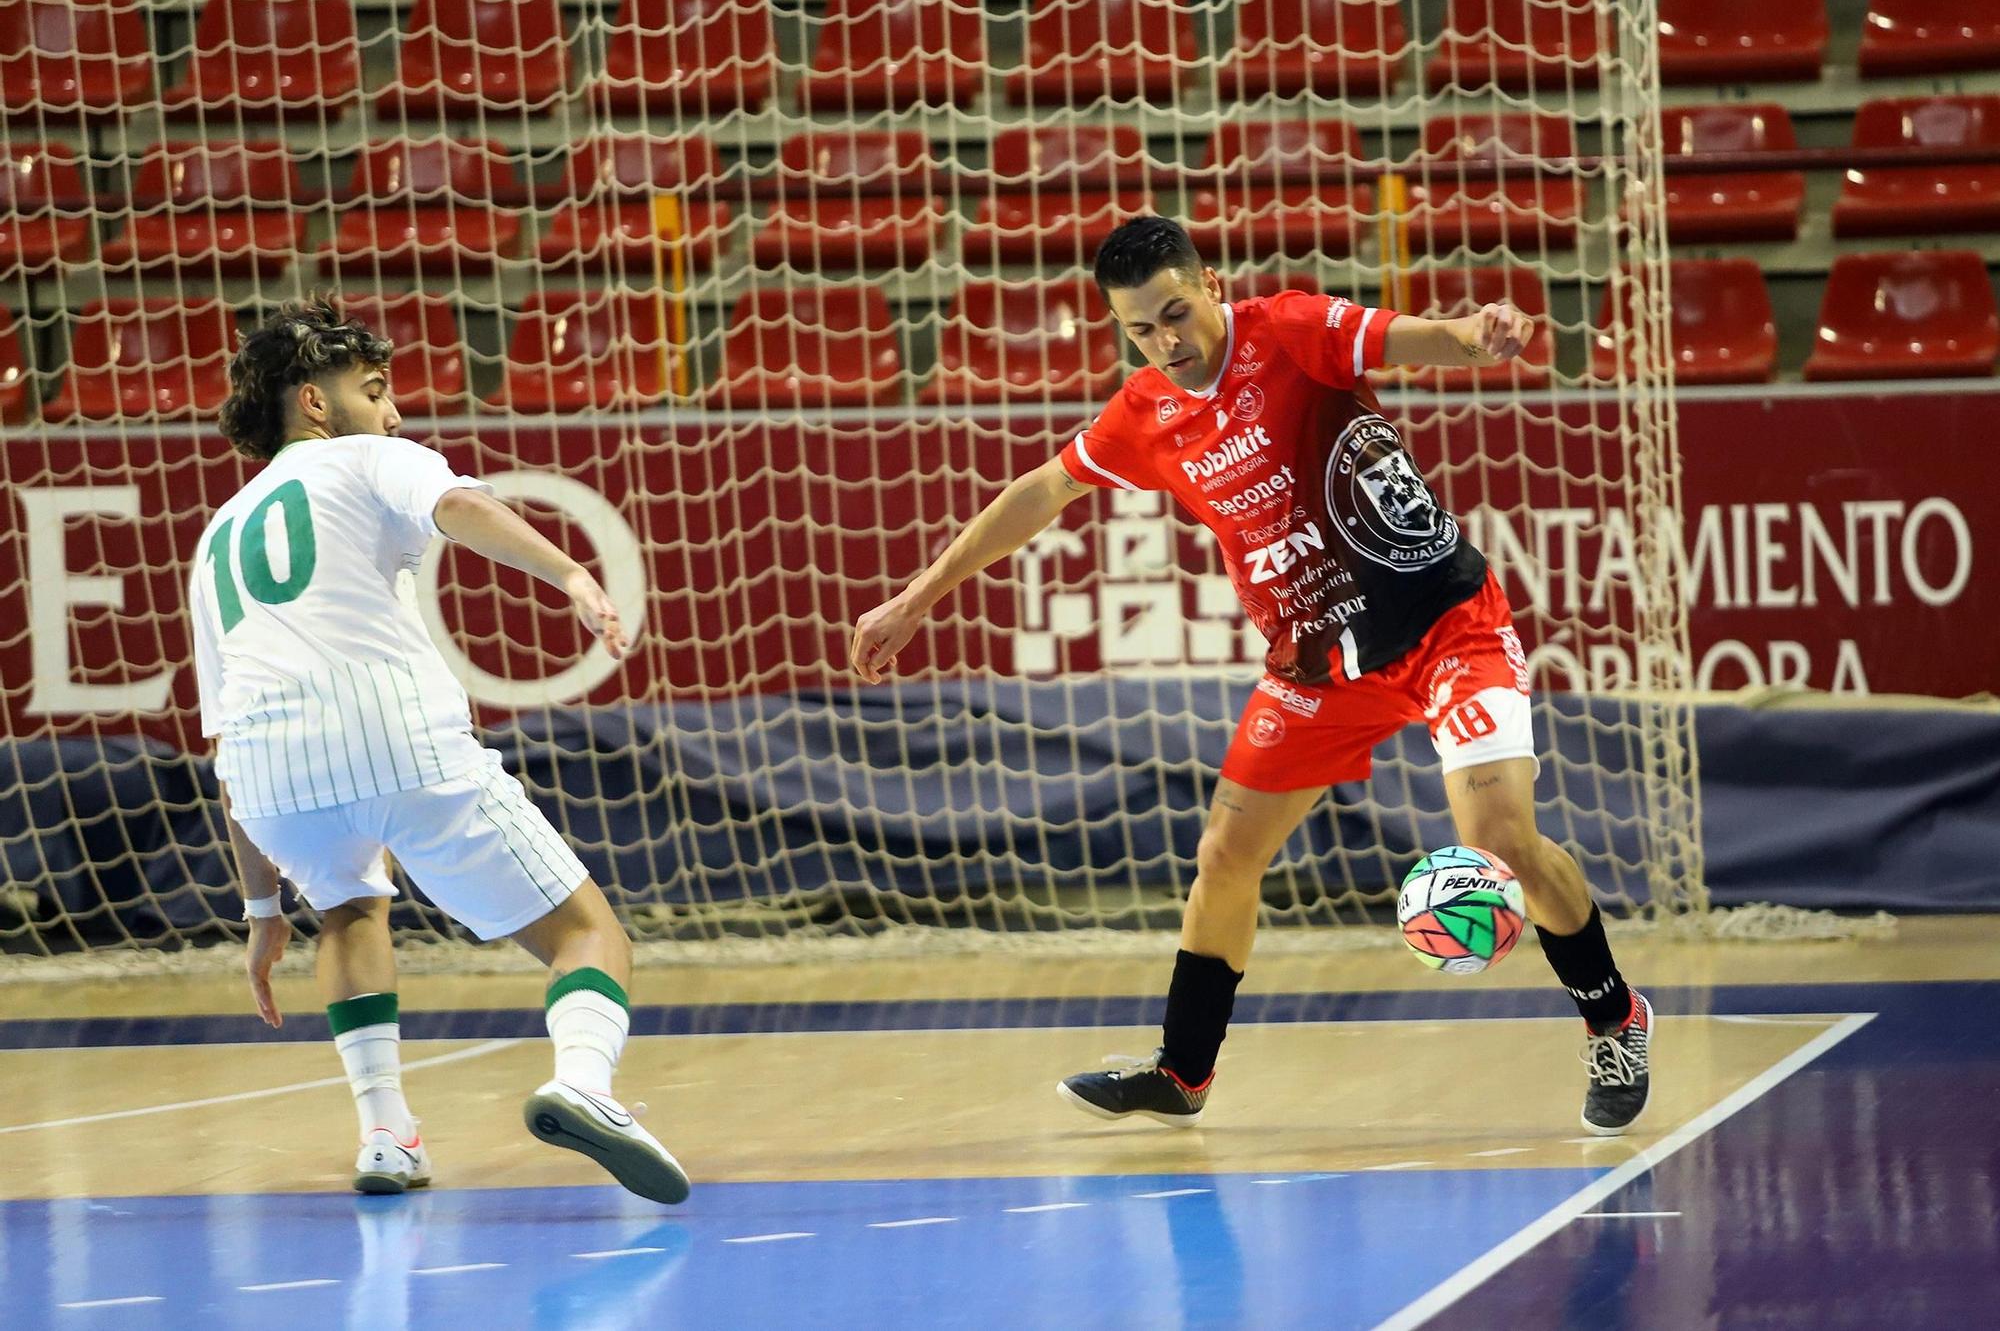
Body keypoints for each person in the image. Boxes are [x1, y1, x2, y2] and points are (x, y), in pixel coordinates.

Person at [851, 218, 1651, 1135]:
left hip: (1442, 627)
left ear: (1212, 286)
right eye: (1141, 329)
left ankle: (1615, 1018)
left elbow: (1406, 337)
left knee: (1500, 841)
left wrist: (1472, 334)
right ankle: (1182, 1072)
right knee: (1225, 858)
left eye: (1176, 313)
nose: (1166, 342)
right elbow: (1041, 491)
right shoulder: (1148, 410)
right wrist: (919, 596)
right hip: (1316, 666)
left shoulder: (1288, 331)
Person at [189, 296, 690, 1199]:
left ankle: (386, 1135)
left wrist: (262, 912)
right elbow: (461, 503)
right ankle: (584, 1085)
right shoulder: (366, 455)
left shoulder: (216, 535)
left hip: (268, 778)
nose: (394, 412)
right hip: (392, 734)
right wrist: (572, 572)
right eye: (373, 390)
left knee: (345, 908)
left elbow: (221, 735)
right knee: (588, 934)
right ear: (313, 402)